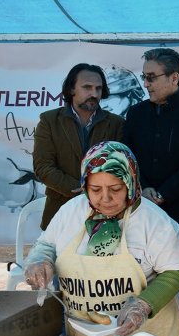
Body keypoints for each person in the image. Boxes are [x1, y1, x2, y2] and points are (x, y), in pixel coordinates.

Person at [24, 141, 179, 336]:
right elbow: (46, 245)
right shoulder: (70, 211)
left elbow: (176, 271)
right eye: (95, 189)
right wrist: (41, 261)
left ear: (131, 182)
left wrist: (144, 305)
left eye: (116, 188)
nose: (105, 198)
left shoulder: (156, 222)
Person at [122, 48, 179, 285]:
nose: (146, 84)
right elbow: (126, 157)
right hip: (143, 217)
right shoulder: (136, 113)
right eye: (143, 77)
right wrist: (144, 188)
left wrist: (162, 193)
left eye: (151, 77)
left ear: (174, 77)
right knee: (147, 285)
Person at [33, 64, 125, 229]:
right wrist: (84, 192)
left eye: (98, 88)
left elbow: (121, 167)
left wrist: (99, 194)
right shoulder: (49, 121)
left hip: (106, 216)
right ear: (71, 89)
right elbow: (43, 167)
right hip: (59, 214)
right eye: (87, 87)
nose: (94, 94)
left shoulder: (117, 124)